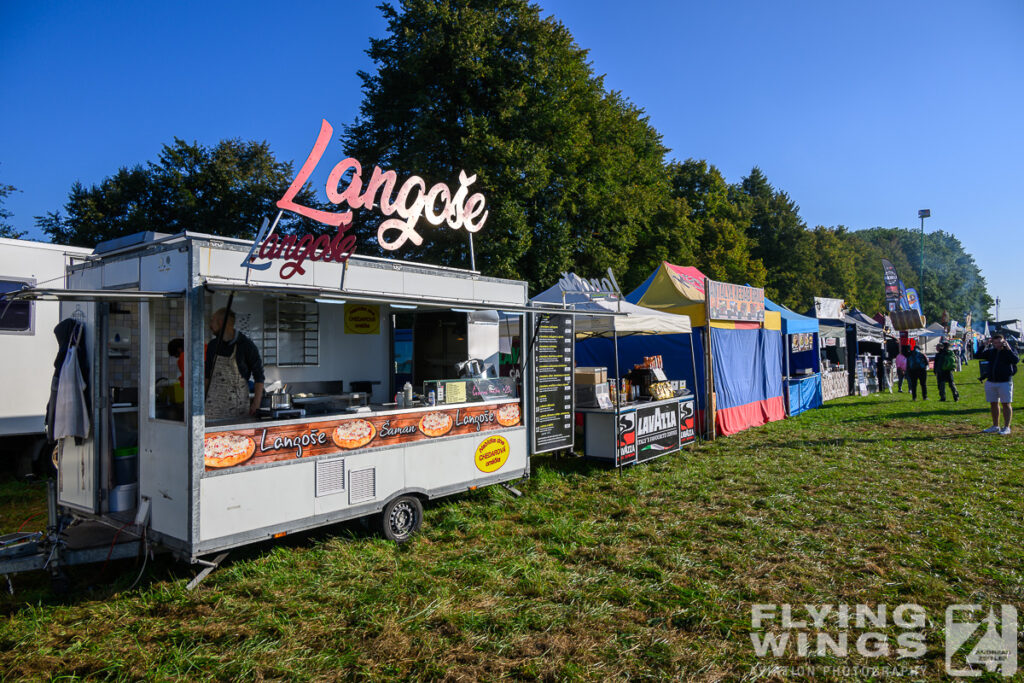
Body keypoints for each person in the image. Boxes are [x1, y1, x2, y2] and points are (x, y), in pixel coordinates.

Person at [205, 308, 265, 420]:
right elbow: (207, 376)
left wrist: (256, 404)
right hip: (212, 410)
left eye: (212, 321)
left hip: (238, 409)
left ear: (221, 323)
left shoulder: (246, 345)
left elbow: (259, 377)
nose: (210, 325)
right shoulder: (213, 345)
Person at [976, 333, 1018, 435]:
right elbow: (977, 355)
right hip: (991, 381)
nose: (997, 344)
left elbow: (1015, 360)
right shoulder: (991, 352)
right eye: (995, 342)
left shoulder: (1008, 351)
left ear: (1003, 341)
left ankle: (1007, 427)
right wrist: (984, 345)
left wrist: (1008, 348)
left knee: (1006, 404)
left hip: (1004, 382)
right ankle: (995, 426)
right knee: (993, 403)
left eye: (999, 342)